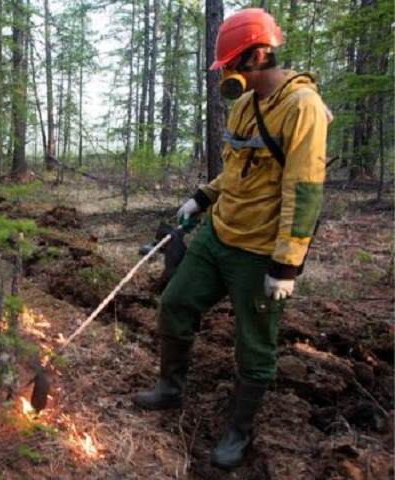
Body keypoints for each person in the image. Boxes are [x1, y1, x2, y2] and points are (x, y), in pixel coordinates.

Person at [131, 8, 331, 470]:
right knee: (175, 303)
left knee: (254, 345)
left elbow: (304, 191)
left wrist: (286, 266)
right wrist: (199, 199)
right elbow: (236, 173)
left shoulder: (302, 108)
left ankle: (237, 433)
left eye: (236, 65)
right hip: (218, 235)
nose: (232, 76)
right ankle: (169, 389)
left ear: (260, 54)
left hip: (260, 251)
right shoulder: (244, 107)